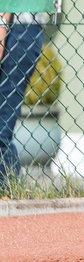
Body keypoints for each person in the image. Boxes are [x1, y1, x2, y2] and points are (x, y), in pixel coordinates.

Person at [0, 13, 46, 180]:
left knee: (2, 128)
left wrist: (1, 27)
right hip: (17, 29)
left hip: (17, 28)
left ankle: (7, 189)